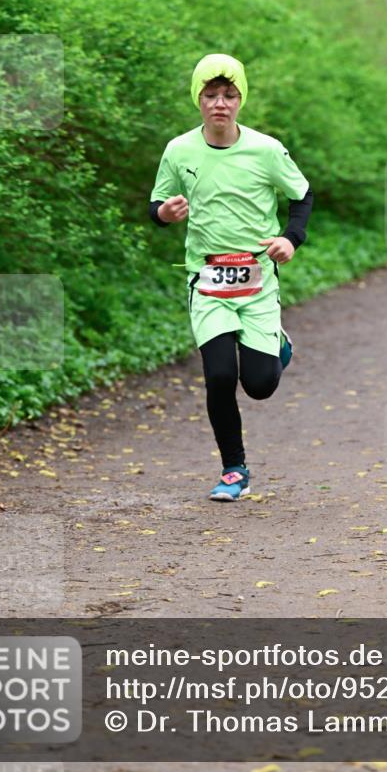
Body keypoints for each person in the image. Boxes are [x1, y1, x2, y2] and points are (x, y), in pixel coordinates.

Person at [149, 53, 313, 501]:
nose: (220, 103)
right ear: (198, 100)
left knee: (259, 386)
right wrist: (164, 213)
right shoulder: (179, 150)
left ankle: (278, 346)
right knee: (219, 375)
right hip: (207, 279)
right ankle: (233, 470)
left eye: (229, 95)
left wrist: (291, 240)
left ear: (240, 100)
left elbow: (302, 196)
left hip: (258, 280)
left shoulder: (265, 149)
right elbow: (157, 205)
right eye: (211, 95)